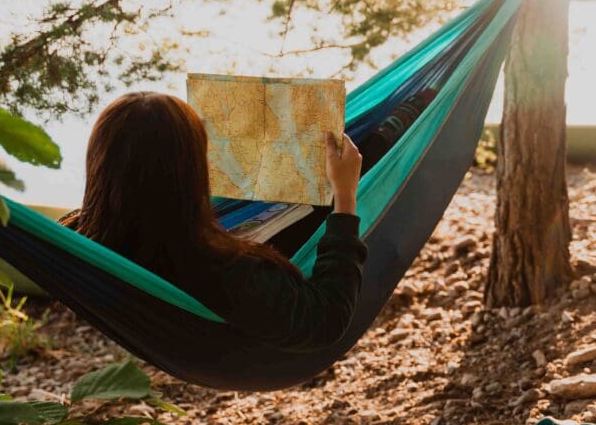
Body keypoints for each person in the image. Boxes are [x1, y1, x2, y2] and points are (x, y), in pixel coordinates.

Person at [60, 93, 366, 352]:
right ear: (192, 169)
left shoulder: (74, 246)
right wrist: (345, 196)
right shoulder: (235, 277)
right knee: (373, 146)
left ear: (99, 163)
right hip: (244, 329)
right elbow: (327, 320)